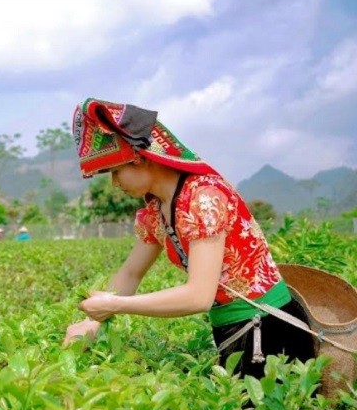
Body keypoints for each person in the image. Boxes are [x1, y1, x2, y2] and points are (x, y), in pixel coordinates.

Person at [63, 98, 315, 379]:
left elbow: (198, 296)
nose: (114, 183)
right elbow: (131, 273)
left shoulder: (203, 197)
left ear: (142, 158)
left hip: (268, 329)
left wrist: (116, 305)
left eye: (115, 171)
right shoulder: (156, 211)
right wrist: (91, 323)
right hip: (231, 328)